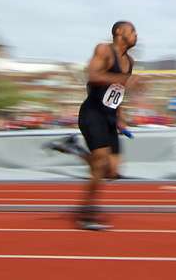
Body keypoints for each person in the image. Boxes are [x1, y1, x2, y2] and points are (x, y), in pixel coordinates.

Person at [60, 21, 142, 231]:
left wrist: (121, 119)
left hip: (110, 118)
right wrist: (125, 79)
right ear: (119, 33)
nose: (136, 35)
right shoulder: (104, 50)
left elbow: (118, 92)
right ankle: (87, 213)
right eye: (132, 31)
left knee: (112, 172)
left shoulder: (130, 62)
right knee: (99, 165)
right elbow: (93, 76)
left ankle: (73, 148)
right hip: (92, 113)